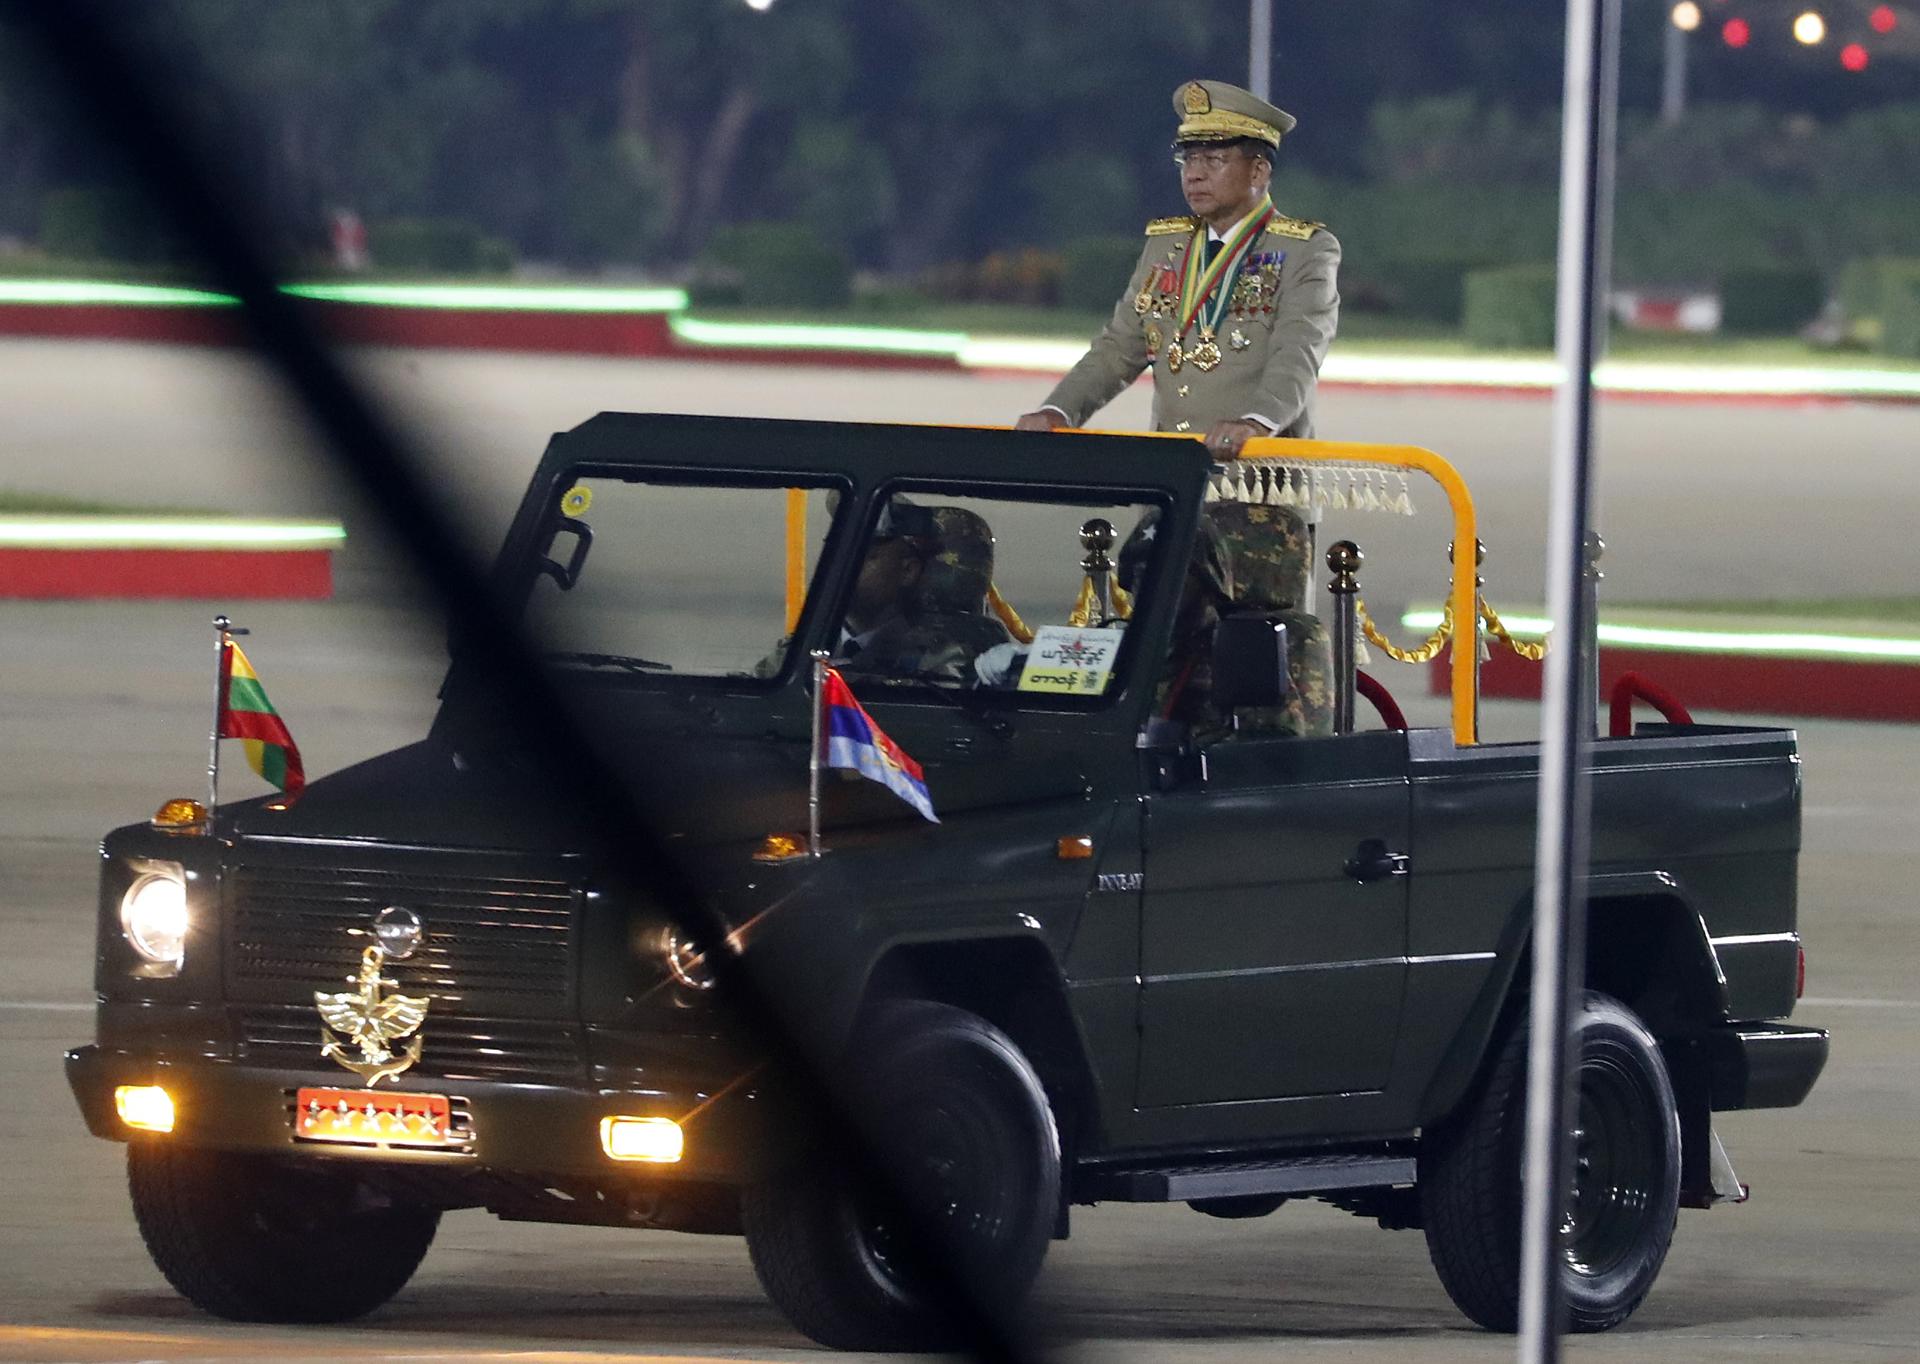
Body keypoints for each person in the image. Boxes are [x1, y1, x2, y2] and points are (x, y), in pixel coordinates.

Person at [1015, 79, 1340, 460]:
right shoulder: (1168, 245)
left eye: (1214, 159)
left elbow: (1297, 353)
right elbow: (1119, 348)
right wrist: (1059, 411)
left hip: (1258, 483)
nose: (1194, 174)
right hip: (1173, 479)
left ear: (1258, 173)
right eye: (1188, 159)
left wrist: (1255, 423)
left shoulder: (1304, 249)